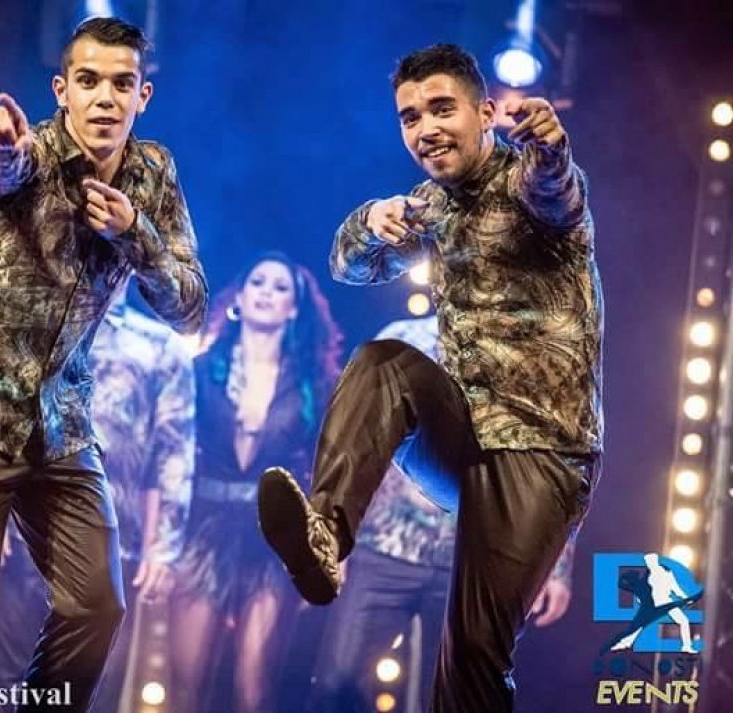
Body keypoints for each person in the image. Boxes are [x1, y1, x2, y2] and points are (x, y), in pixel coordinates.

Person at [257, 43, 602, 713]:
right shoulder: (431, 204)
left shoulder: (528, 183)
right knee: (382, 363)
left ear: (486, 113)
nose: (426, 129)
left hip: (542, 454)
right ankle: (325, 538)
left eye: (442, 109)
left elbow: (559, 196)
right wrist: (369, 222)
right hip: (465, 444)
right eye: (410, 118)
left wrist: (553, 150)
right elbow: (348, 267)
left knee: (471, 653)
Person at [0, 16, 206, 712]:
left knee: (97, 603)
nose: (105, 98)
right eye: (88, 81)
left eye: (122, 84)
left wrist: (136, 233)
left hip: (61, 423)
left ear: (143, 96)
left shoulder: (153, 173)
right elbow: (1, 172)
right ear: (62, 90)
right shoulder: (32, 152)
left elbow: (191, 307)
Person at [307, 316, 575, 713]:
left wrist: (557, 564)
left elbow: (557, 457)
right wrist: (336, 533)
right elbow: (359, 442)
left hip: (472, 557)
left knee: (452, 697)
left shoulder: (530, 357)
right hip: (388, 548)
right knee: (338, 683)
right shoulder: (404, 339)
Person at [0, 282, 196, 713]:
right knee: (9, 680)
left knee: (89, 687)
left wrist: (163, 547)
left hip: (112, 536)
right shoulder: (34, 326)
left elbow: (174, 450)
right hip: (28, 528)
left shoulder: (160, 346)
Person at [168, 253, 342, 713]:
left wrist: (328, 549)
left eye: (281, 287)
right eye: (258, 282)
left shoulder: (316, 385)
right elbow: (170, 454)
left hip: (276, 538)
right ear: (240, 298)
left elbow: (331, 468)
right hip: (205, 528)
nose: (267, 292)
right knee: (186, 684)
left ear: (294, 308)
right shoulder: (201, 370)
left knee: (255, 685)